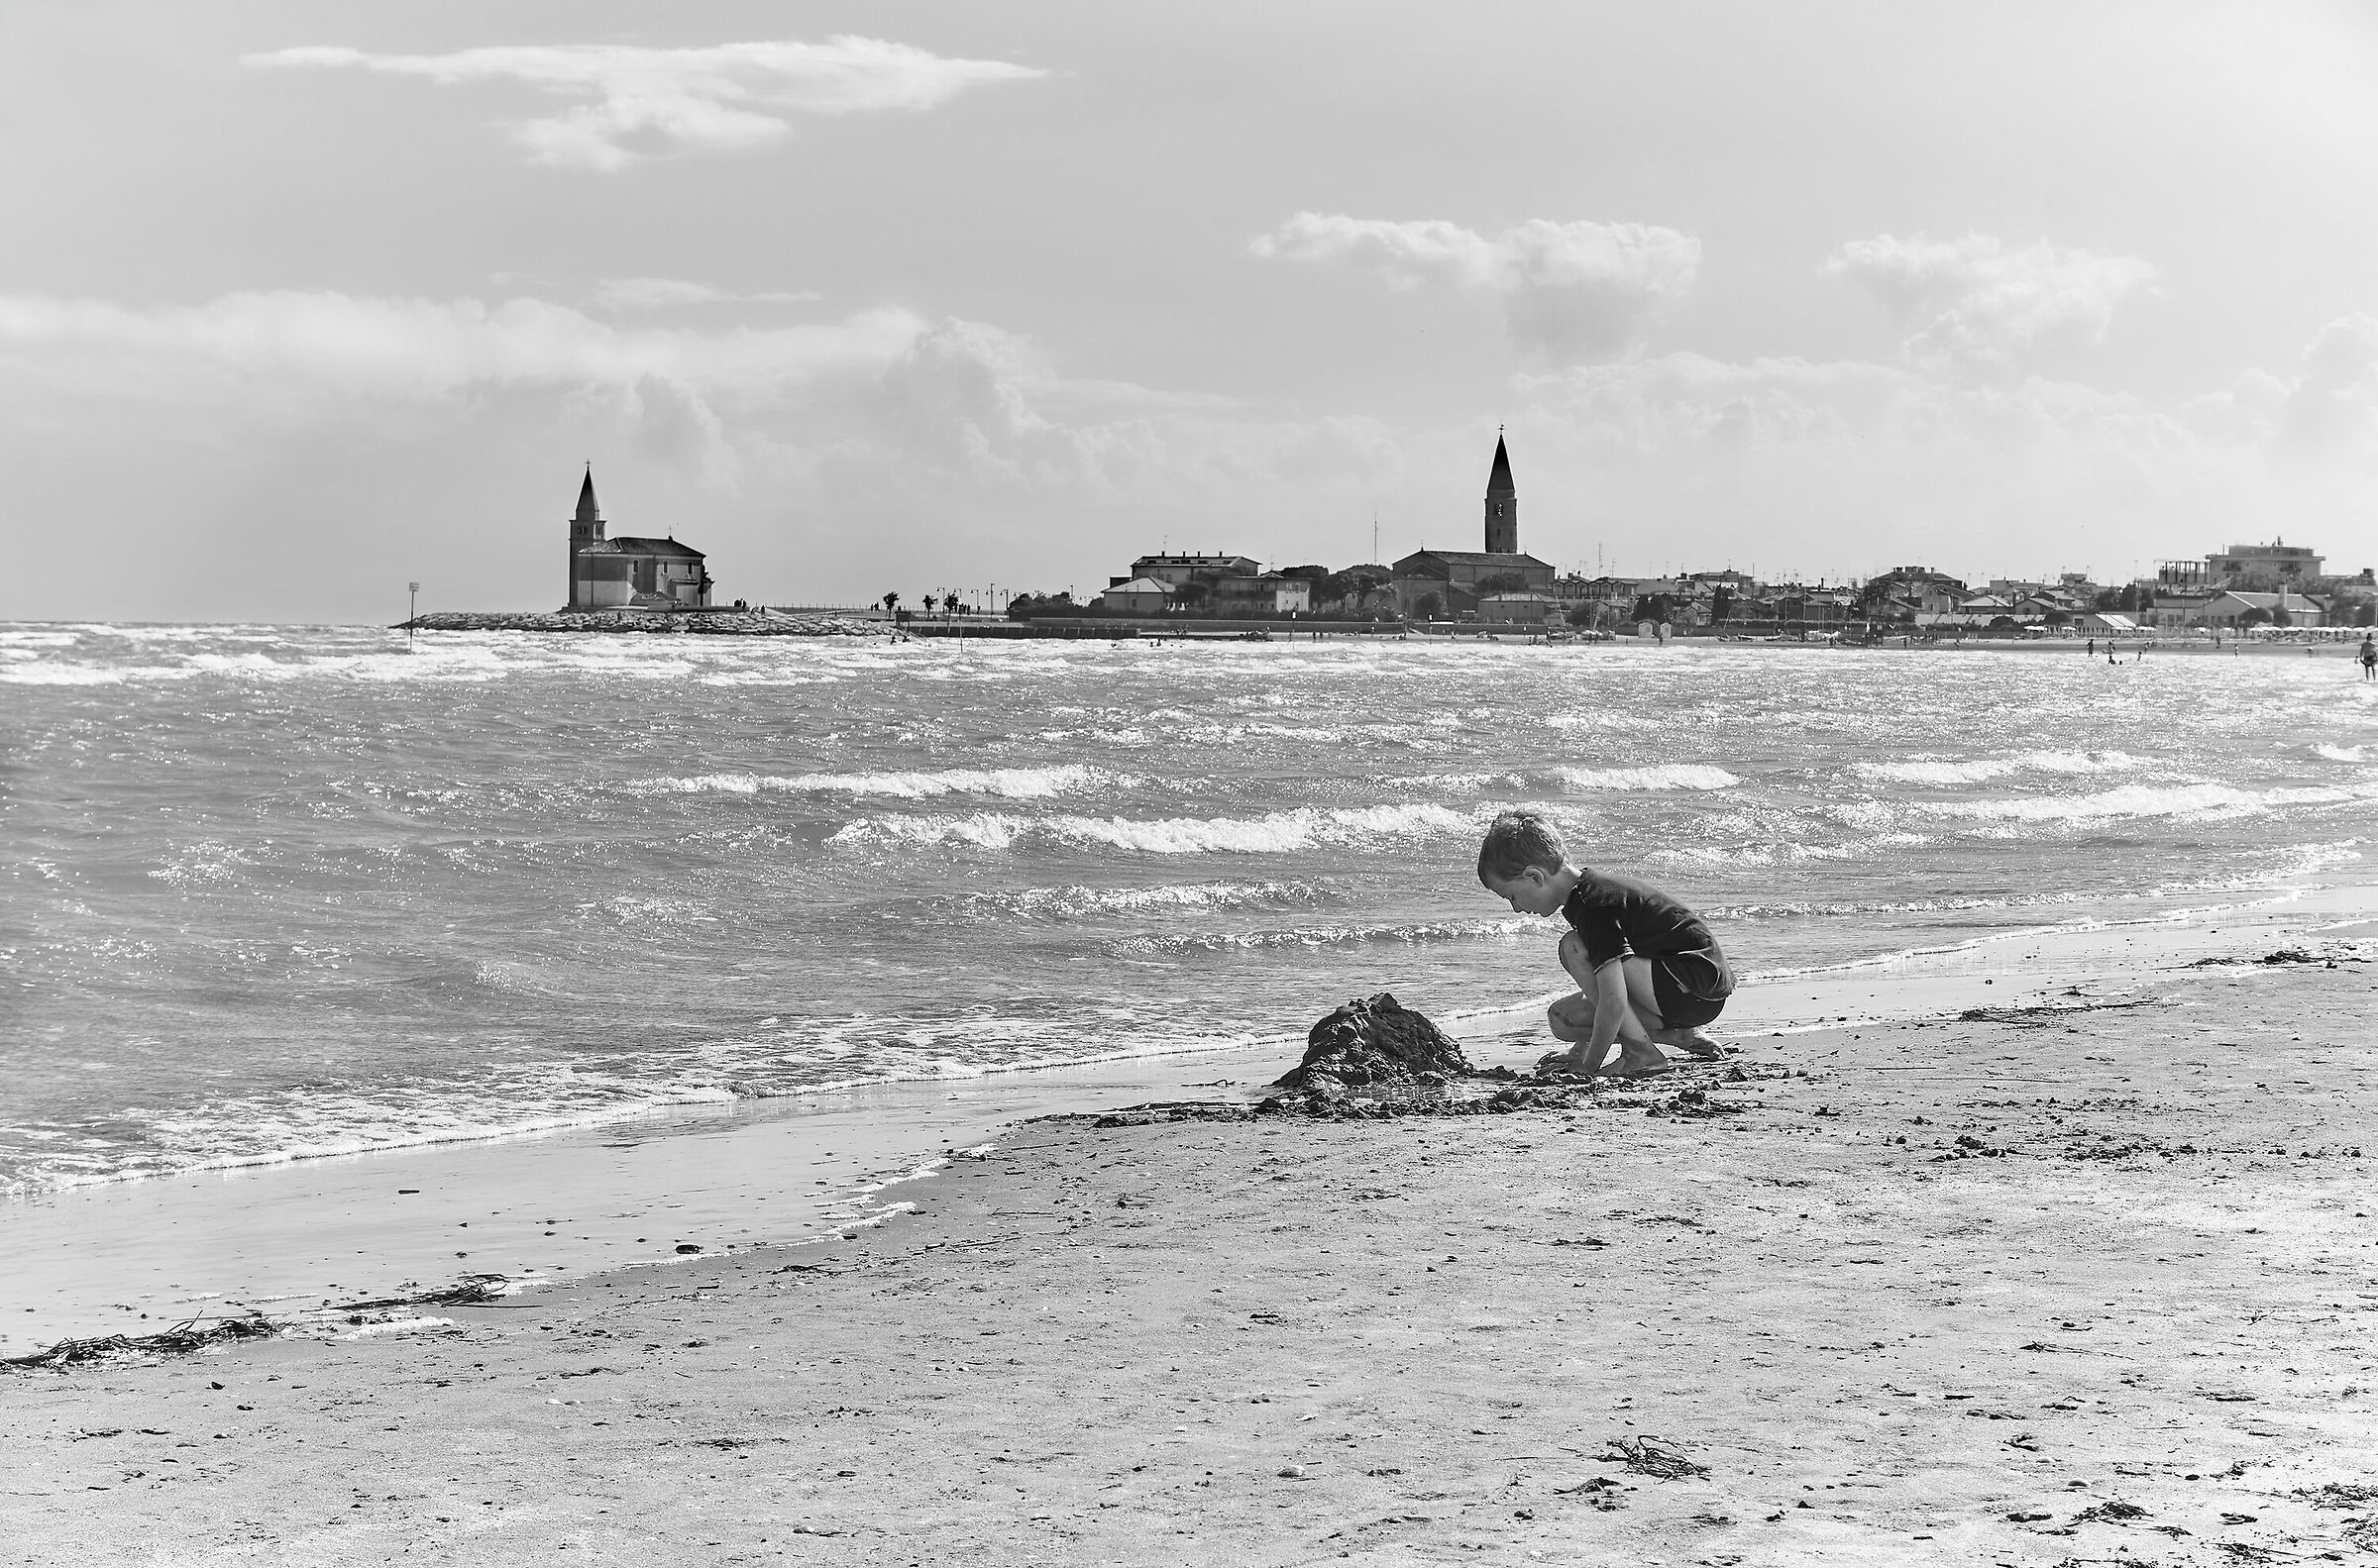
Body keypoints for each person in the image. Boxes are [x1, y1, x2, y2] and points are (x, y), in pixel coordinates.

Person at [1477, 809, 1733, 1078]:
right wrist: (1579, 1052)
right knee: (1563, 1020)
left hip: (1690, 985)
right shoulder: (1586, 895)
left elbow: (1612, 1001)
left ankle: (1641, 1053)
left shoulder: (1595, 907)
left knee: (1573, 948)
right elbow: (1606, 992)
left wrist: (1588, 1068)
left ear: (1534, 877)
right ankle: (1679, 1035)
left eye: (1513, 897)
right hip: (1691, 994)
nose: (1516, 908)